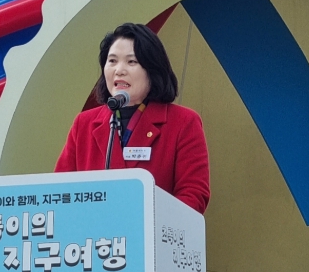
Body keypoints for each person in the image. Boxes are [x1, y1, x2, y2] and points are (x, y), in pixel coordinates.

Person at [55, 22, 210, 214]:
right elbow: (60, 192)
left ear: (152, 70)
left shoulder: (183, 122)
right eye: (112, 61)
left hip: (155, 231)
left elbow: (193, 195)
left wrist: (143, 221)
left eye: (131, 62)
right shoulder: (84, 123)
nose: (119, 70)